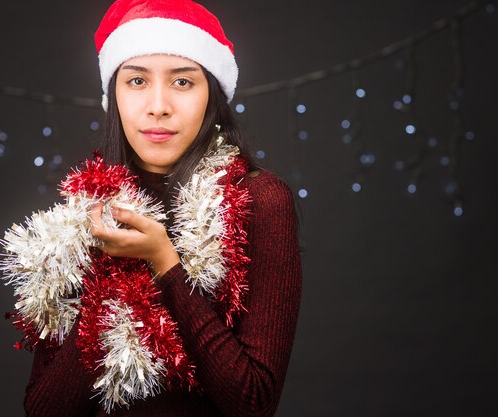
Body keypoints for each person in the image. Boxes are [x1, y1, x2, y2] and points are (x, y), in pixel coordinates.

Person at [23, 1, 301, 416]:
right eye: (136, 81)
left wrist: (163, 262)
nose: (158, 106)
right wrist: (115, 277)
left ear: (213, 97)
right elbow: (43, 410)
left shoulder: (260, 200)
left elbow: (253, 402)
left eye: (183, 83)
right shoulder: (88, 213)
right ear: (113, 96)